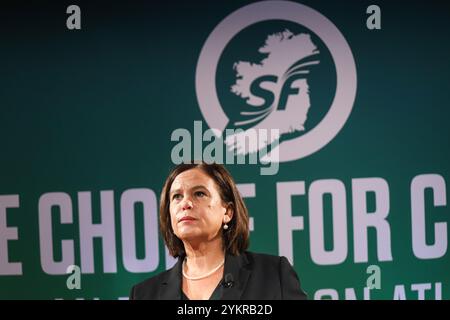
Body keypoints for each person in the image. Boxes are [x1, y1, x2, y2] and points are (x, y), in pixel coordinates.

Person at [129, 161, 307, 300]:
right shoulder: (144, 294)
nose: (185, 204)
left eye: (199, 193)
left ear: (227, 212)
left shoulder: (273, 274)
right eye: (177, 197)